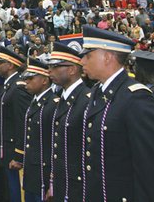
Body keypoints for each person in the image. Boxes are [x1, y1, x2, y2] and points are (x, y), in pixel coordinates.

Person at [80, 25, 154, 201]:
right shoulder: (99, 91)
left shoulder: (136, 97)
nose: (82, 61)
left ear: (107, 57)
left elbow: (150, 166)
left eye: (88, 55)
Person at [46, 42, 91, 201]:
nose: (49, 71)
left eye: (56, 66)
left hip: (78, 186)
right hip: (62, 182)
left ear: (72, 69)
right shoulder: (63, 98)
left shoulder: (87, 100)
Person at [16, 58, 58, 202]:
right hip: (32, 169)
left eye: (31, 78)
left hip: (43, 172)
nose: (26, 82)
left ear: (45, 80)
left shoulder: (53, 104)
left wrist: (51, 181)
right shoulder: (36, 101)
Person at [0, 47, 30, 202]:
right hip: (6, 148)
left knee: (16, 191)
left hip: (13, 151)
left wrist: (19, 155)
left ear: (10, 65)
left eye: (0, 62)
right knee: (10, 190)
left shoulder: (18, 87)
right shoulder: (9, 86)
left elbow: (22, 123)